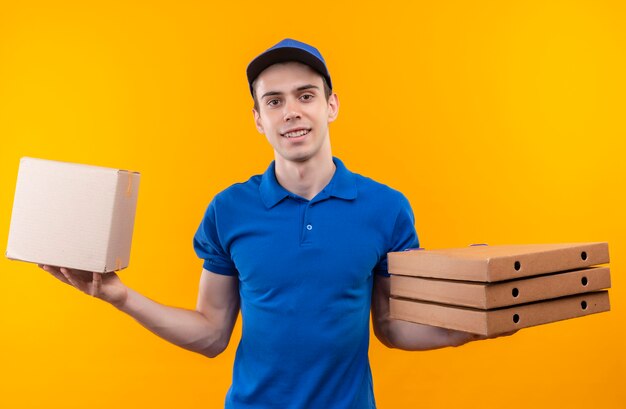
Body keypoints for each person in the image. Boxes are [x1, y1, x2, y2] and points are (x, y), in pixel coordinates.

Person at [40, 39, 491, 409]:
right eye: (274, 101)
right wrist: (119, 296)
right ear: (258, 119)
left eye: (305, 95)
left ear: (331, 106)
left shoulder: (386, 208)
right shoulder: (229, 210)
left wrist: (477, 323)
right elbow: (212, 333)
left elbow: (393, 328)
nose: (291, 111)